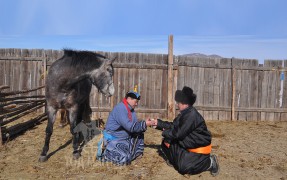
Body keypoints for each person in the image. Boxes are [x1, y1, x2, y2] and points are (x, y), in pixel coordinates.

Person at [150, 86, 219, 176]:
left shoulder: (191, 115)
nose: (177, 104)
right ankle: (176, 159)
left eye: (179, 102)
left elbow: (178, 133)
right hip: (188, 144)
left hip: (198, 148)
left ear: (185, 103)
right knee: (165, 144)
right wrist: (158, 124)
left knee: (183, 167)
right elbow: (173, 126)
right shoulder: (184, 113)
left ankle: (209, 162)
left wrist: (165, 132)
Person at [100, 87, 153, 165]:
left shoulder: (131, 110)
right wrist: (144, 124)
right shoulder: (120, 109)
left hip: (125, 138)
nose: (136, 104)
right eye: (135, 101)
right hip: (114, 139)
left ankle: (133, 153)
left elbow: (135, 126)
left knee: (139, 132)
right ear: (129, 99)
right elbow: (131, 127)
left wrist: (145, 123)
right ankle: (107, 153)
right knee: (124, 158)